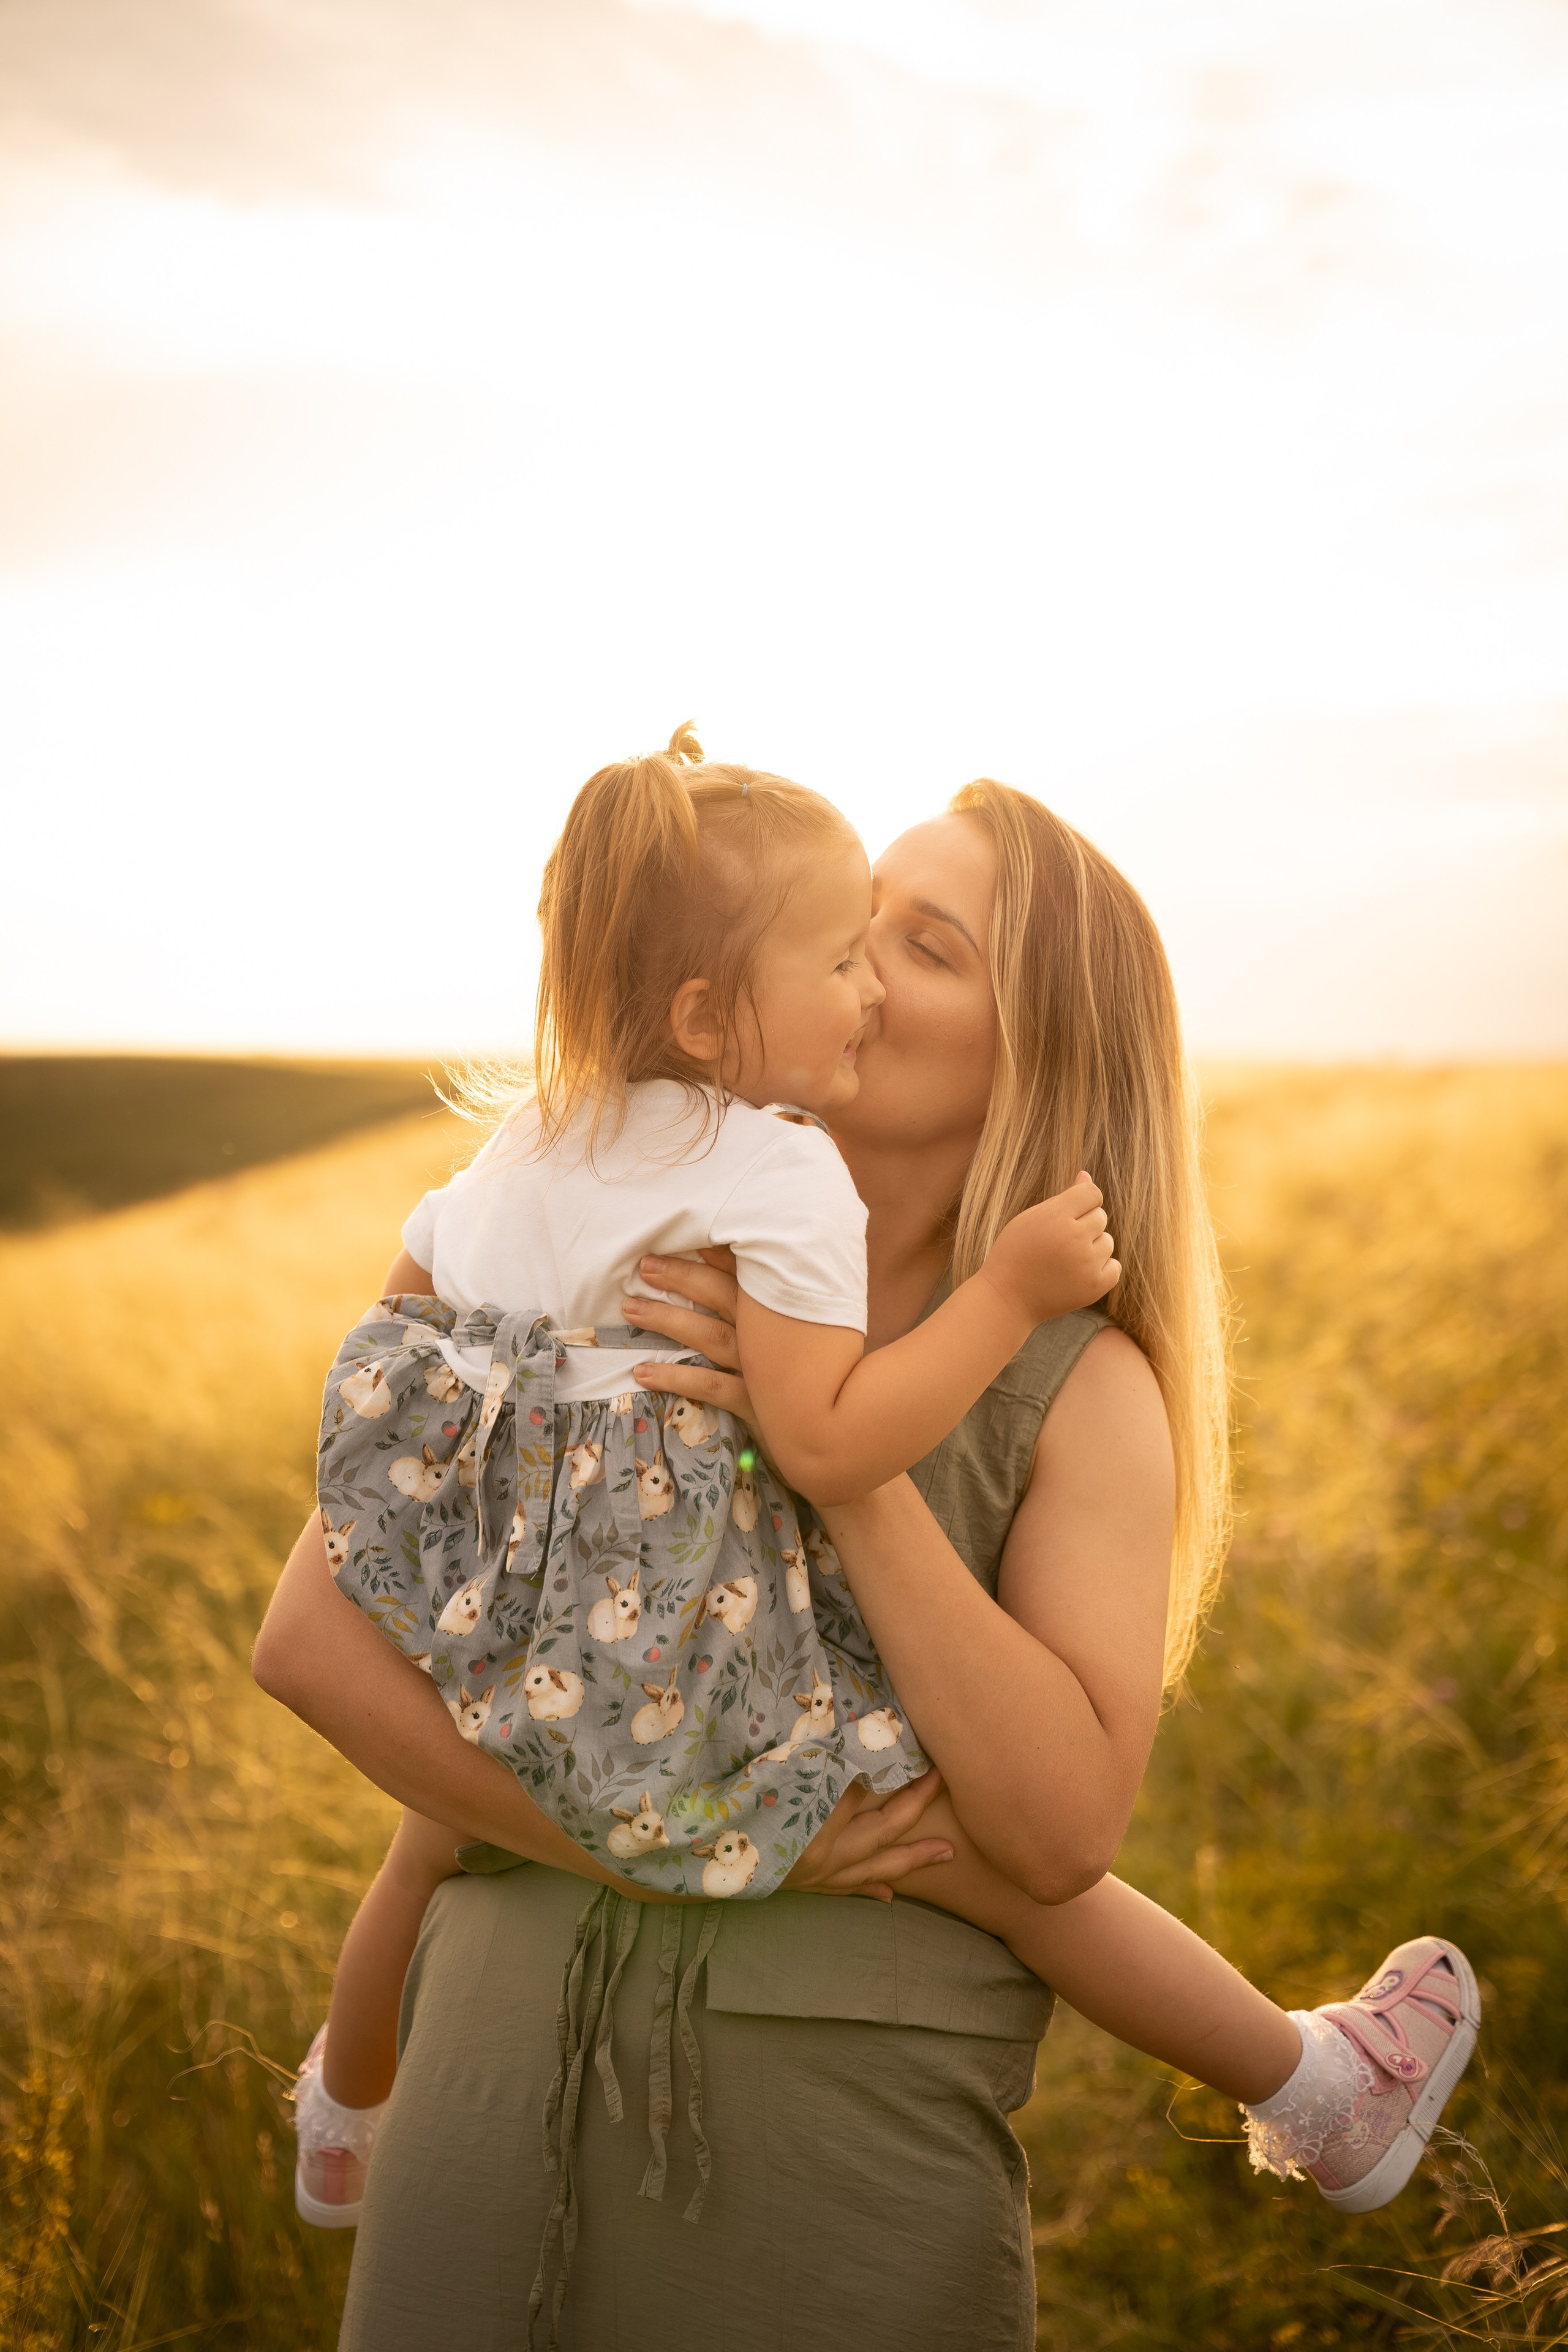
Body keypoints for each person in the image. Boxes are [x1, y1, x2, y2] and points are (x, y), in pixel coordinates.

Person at [254, 756, 1476, 2352]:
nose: (857, 961)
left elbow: (1054, 1837)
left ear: (1036, 1054)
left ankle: (1317, 2087)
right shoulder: (605, 1250)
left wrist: (837, 1459)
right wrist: (663, 1841)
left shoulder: (1075, 1390)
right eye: (855, 924)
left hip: (836, 2179)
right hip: (478, 2112)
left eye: (927, 943)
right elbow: (314, 1643)